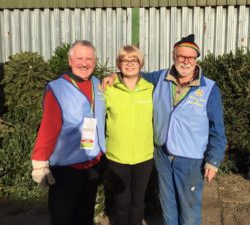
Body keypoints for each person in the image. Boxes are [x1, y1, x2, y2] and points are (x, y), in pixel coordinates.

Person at [103, 34, 226, 225]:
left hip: (190, 158)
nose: (185, 62)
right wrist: (113, 76)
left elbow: (217, 128)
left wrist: (213, 160)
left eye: (190, 58)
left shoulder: (209, 88)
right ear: (173, 56)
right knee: (168, 207)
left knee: (189, 208)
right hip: (162, 155)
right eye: (181, 56)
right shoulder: (160, 77)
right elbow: (133, 73)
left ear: (196, 59)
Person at [31, 40, 106, 225]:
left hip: (93, 164)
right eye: (79, 58)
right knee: (63, 218)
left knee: (85, 217)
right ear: (70, 60)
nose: (84, 63)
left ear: (95, 62)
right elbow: (49, 126)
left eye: (89, 59)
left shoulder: (99, 84)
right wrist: (40, 161)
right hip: (67, 169)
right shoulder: (57, 88)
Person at [104, 45, 154, 225]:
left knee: (138, 202)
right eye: (124, 60)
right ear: (118, 64)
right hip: (117, 156)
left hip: (144, 156)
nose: (129, 64)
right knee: (122, 201)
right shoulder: (108, 88)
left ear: (141, 63)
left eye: (134, 60)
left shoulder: (150, 89)